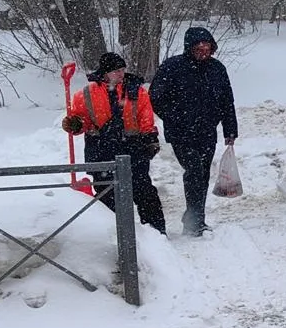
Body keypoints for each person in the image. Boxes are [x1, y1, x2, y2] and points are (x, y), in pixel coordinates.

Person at [62, 52, 166, 234]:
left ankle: (156, 235)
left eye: (122, 70)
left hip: (133, 149)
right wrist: (75, 124)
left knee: (144, 192)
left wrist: (150, 137)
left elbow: (145, 117)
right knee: (106, 196)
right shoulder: (85, 95)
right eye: (116, 71)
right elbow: (81, 122)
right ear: (105, 73)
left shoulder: (137, 91)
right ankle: (113, 235)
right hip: (101, 150)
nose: (120, 74)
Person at [150, 27, 239, 236]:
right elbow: (155, 97)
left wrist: (230, 129)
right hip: (181, 132)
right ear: (189, 47)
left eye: (206, 46)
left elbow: (227, 101)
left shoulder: (217, 69)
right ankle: (194, 220)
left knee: (202, 174)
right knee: (194, 170)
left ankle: (196, 218)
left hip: (207, 131)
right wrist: (175, 118)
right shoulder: (173, 67)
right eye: (198, 47)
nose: (202, 50)